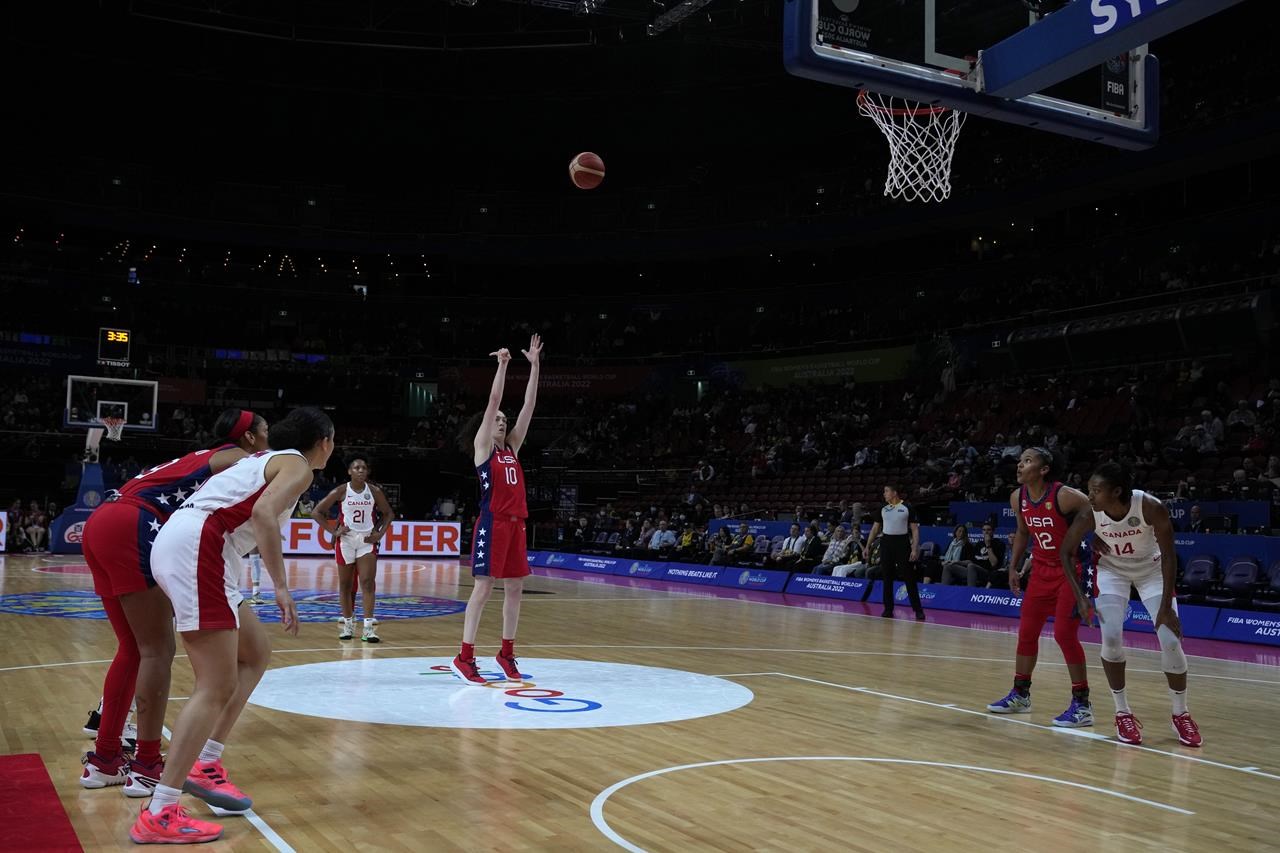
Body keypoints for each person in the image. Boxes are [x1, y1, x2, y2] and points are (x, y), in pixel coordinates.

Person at [133, 407, 333, 844]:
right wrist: (281, 587)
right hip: (200, 546)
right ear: (323, 442)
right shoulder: (296, 464)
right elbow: (262, 515)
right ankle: (160, 811)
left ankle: (206, 762)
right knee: (216, 684)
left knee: (255, 653)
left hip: (193, 545)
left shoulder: (260, 461)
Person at [78, 410, 269, 801]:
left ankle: (105, 759)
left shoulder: (196, 457)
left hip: (105, 520)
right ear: (249, 438)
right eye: (266, 433)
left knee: (133, 648)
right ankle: (148, 764)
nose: (270, 441)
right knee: (156, 650)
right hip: (136, 524)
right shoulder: (239, 458)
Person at [1059, 463, 1202, 747]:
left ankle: (1180, 713)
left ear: (1117, 491)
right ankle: (1122, 712)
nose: (1090, 496)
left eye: (1096, 491)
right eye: (1089, 490)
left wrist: (1164, 608)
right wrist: (1081, 597)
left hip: (1152, 572)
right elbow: (1065, 551)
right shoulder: (1090, 513)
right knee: (1111, 638)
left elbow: (1170, 557)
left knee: (1170, 640)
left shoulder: (1151, 507)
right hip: (1113, 572)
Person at [450, 335, 543, 686]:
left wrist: (534, 366)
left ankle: (506, 653)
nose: (503, 421)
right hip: (492, 523)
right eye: (498, 419)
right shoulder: (482, 449)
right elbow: (493, 400)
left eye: (506, 420)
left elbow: (530, 406)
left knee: (516, 588)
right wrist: (503, 366)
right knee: (484, 588)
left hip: (516, 524)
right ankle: (465, 656)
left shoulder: (514, 449)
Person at [986, 448, 1094, 728]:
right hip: (1040, 572)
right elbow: (1023, 532)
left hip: (1071, 572)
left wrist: (1092, 538)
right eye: (1020, 460)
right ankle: (1020, 695)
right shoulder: (1017, 497)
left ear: (1044, 469)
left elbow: (1094, 509)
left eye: (1027, 461)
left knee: (1063, 635)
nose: (1020, 465)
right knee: (1027, 633)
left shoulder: (1064, 495)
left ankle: (1082, 704)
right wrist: (1014, 566)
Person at [313, 456, 395, 642]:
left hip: (366, 540)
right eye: (356, 467)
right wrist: (334, 530)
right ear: (349, 471)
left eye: (364, 468)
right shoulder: (342, 491)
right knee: (345, 585)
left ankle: (368, 629)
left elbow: (389, 513)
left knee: (367, 582)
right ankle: (348, 625)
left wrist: (379, 534)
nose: (360, 470)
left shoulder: (374, 492)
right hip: (347, 541)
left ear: (368, 472)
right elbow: (316, 512)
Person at [860, 485, 925, 620]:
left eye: (886, 491)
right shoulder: (882, 508)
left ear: (895, 492)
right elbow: (875, 529)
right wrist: (867, 546)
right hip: (886, 544)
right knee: (887, 578)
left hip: (902, 544)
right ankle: (888, 609)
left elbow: (914, 530)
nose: (884, 494)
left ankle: (918, 610)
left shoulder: (907, 507)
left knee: (909, 578)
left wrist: (914, 549)